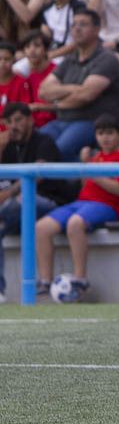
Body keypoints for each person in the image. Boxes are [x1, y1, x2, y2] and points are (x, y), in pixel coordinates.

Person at [33, 115, 119, 302]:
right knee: (41, 227)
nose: (105, 138)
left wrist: (93, 174)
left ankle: (80, 279)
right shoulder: (94, 158)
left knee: (75, 224)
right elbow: (86, 185)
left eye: (110, 133)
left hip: (109, 206)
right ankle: (45, 281)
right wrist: (87, 166)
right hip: (82, 203)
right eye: (101, 133)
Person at [0, 101, 70, 301]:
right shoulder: (8, 146)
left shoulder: (44, 141)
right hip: (14, 208)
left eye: (18, 120)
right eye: (9, 122)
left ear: (30, 120)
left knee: (21, 200)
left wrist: (11, 192)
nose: (14, 126)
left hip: (50, 202)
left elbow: (35, 177)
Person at [36, 9, 119, 163]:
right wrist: (76, 88)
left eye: (83, 24)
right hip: (61, 122)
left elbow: (86, 96)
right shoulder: (70, 60)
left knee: (59, 149)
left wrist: (58, 100)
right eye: (74, 24)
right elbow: (43, 91)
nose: (76, 28)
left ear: (97, 29)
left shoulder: (107, 59)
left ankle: (78, 183)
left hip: (93, 123)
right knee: (34, 145)